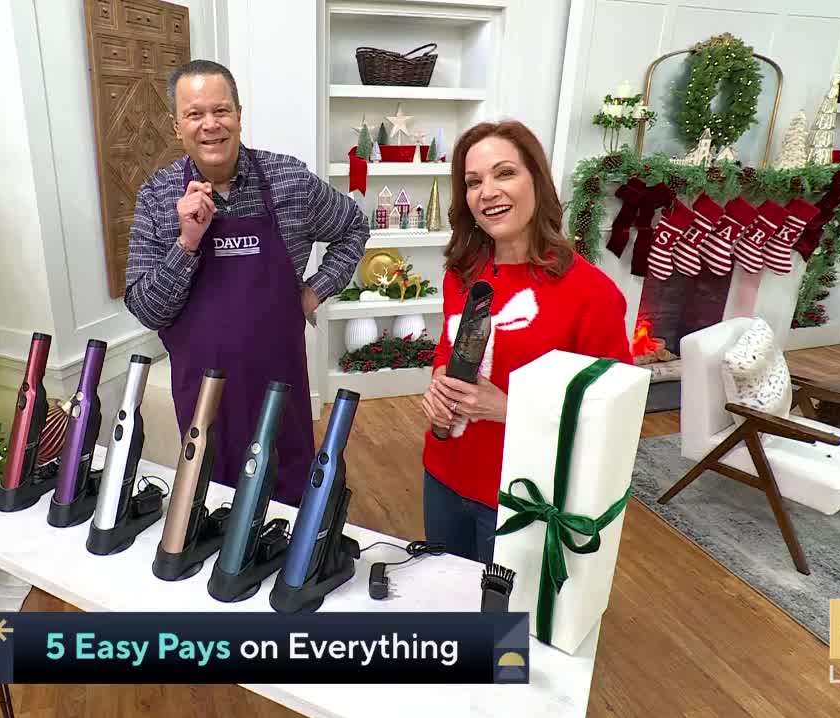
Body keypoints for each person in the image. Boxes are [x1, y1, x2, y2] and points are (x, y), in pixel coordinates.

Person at [124, 59, 369, 506]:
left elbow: (353, 226)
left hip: (281, 394)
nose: (210, 125)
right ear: (176, 125)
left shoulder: (288, 180)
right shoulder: (158, 196)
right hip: (203, 402)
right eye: (195, 114)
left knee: (287, 502)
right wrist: (187, 242)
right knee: (212, 499)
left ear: (239, 115)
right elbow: (146, 309)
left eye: (222, 111)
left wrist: (315, 290)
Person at [419, 120, 633, 563]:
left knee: (502, 628)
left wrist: (507, 409)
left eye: (505, 173)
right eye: (473, 182)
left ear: (536, 179)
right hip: (442, 475)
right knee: (444, 607)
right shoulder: (460, 275)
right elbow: (447, 347)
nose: (487, 191)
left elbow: (615, 413)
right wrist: (440, 378)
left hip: (524, 497)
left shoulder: (589, 293)